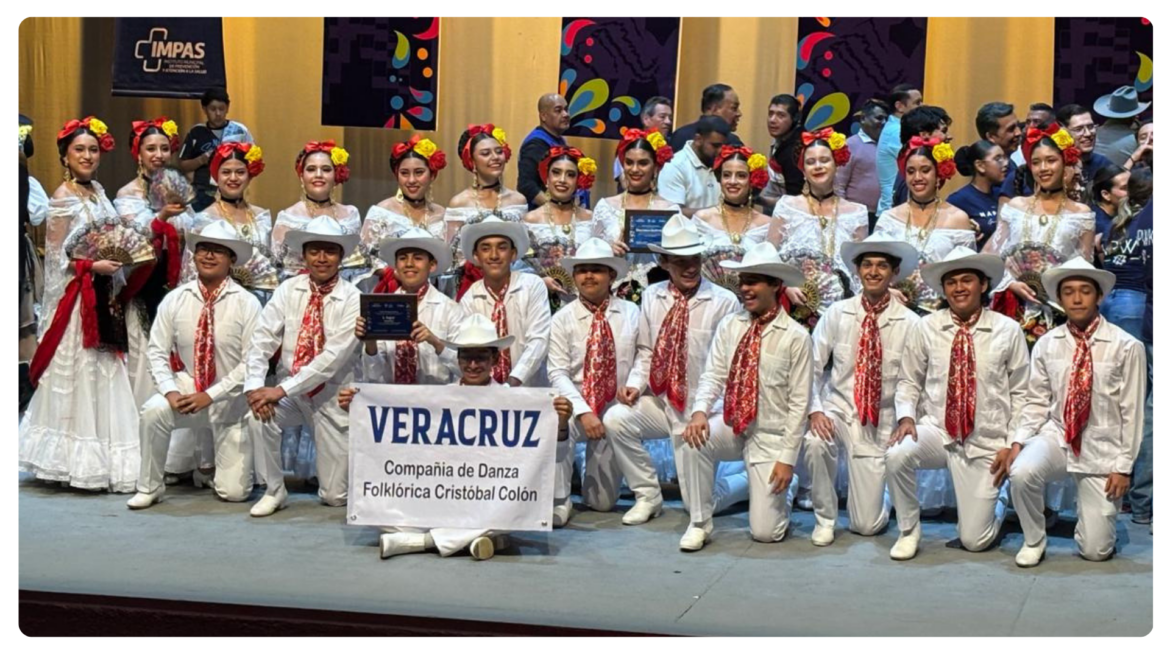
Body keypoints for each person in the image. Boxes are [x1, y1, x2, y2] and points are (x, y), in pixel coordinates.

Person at [19, 116, 140, 492]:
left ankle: (106, 457)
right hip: (77, 303)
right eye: (79, 150)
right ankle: (69, 460)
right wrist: (93, 265)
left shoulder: (99, 192)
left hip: (104, 295)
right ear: (64, 157)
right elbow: (57, 259)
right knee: (80, 377)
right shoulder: (62, 198)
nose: (87, 156)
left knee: (107, 373)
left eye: (92, 150)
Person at [887, 246, 1028, 560]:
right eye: (952, 282)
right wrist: (906, 417)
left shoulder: (1008, 330)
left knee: (975, 540)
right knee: (897, 454)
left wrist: (1011, 442)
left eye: (967, 280)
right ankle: (908, 530)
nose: (959, 288)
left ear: (983, 285)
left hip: (986, 439)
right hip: (938, 431)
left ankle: (998, 501)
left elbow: (1022, 394)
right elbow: (908, 380)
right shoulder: (926, 327)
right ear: (943, 288)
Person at [1008, 257, 1145, 566]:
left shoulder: (1126, 346)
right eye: (1068, 291)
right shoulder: (1047, 343)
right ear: (1060, 298)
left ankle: (1097, 522)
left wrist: (1123, 466)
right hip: (1058, 436)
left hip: (1102, 446)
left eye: (1085, 290)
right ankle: (1033, 538)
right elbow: (1036, 400)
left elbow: (1132, 412)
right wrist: (1018, 441)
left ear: (1099, 297)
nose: (1077, 298)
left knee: (1095, 552)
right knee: (1022, 471)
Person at [680, 242, 811, 551]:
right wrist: (700, 411)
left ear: (775, 285)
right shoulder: (730, 325)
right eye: (743, 281)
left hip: (772, 433)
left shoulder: (796, 337)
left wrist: (787, 460)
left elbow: (799, 405)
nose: (745, 289)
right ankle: (699, 523)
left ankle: (783, 486)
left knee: (766, 533)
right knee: (694, 438)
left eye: (753, 281)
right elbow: (713, 374)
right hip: (734, 422)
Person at [127, 221, 263, 509]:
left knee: (235, 494)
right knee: (154, 410)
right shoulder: (175, 299)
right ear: (194, 255)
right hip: (189, 386)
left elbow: (252, 362)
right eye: (203, 250)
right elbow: (157, 351)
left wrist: (210, 395)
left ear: (231, 260)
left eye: (218, 251)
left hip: (231, 399)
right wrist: (170, 392)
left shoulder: (247, 303)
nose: (209, 256)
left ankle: (216, 470)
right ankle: (149, 486)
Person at [803, 236, 920, 545]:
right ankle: (825, 518)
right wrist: (815, 409)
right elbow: (812, 366)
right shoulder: (837, 313)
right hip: (839, 407)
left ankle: (883, 493)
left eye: (882, 266)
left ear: (894, 273)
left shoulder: (909, 322)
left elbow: (910, 378)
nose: (873, 272)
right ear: (857, 270)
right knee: (816, 441)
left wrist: (906, 417)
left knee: (866, 526)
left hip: (880, 418)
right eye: (867, 265)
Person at [245, 216, 362, 517]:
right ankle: (274, 490)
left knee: (335, 497)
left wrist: (279, 389)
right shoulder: (288, 289)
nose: (322, 258)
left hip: (331, 395)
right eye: (315, 251)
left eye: (330, 251)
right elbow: (262, 338)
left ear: (340, 256)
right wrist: (255, 387)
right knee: (257, 416)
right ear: (305, 255)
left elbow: (331, 360)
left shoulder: (353, 297)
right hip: (292, 392)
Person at [178, 87, 254, 212]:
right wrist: (202, 159)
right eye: (213, 109)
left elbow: (253, 161)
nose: (218, 113)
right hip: (202, 191)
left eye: (222, 109)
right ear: (204, 109)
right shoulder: (196, 132)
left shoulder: (240, 131)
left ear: (228, 108)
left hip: (232, 189)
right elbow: (183, 165)